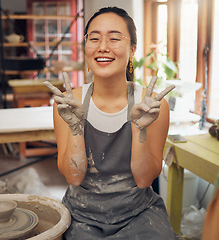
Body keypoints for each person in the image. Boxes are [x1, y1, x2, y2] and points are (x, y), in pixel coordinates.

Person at [44, 6, 177, 240]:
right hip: (82, 215)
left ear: (132, 49)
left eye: (114, 38)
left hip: (139, 213)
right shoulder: (69, 103)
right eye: (94, 38)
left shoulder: (153, 106)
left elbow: (145, 179)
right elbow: (73, 177)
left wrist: (140, 130)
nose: (103, 46)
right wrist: (76, 128)